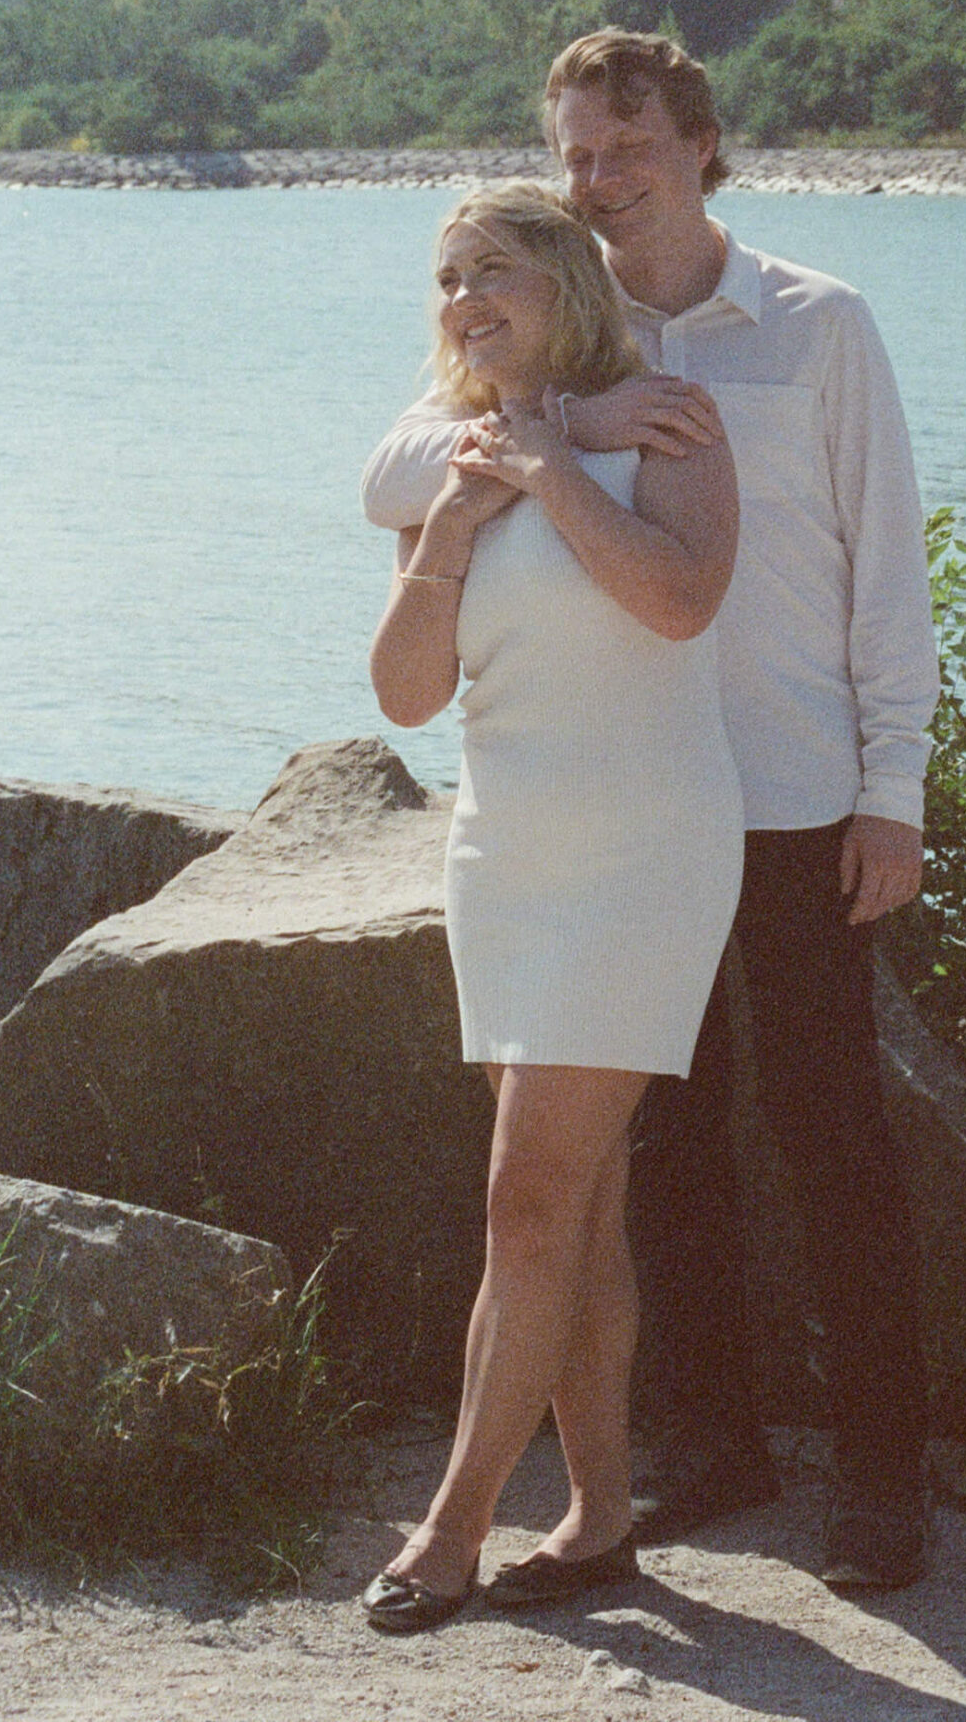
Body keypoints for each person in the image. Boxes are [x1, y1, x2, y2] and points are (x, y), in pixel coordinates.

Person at [362, 31, 941, 1594]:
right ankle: (706, 1449)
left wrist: (892, 792)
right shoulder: (571, 353)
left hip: (794, 792)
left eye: (626, 147)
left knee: (833, 1137)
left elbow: (886, 572)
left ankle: (883, 1480)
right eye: (574, 154)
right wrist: (588, 430)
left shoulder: (818, 327)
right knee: (659, 1159)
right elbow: (399, 466)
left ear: (699, 146)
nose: (599, 177)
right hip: (621, 809)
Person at [361, 180, 743, 1634]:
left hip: (645, 856)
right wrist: (463, 513)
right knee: (576, 1209)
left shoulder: (669, 424)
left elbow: (680, 603)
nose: (466, 295)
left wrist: (557, 468)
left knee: (527, 1198)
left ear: (566, 284)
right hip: (504, 855)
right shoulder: (440, 463)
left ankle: (452, 1526)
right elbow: (405, 695)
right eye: (449, 275)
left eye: (496, 269)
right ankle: (596, 1519)